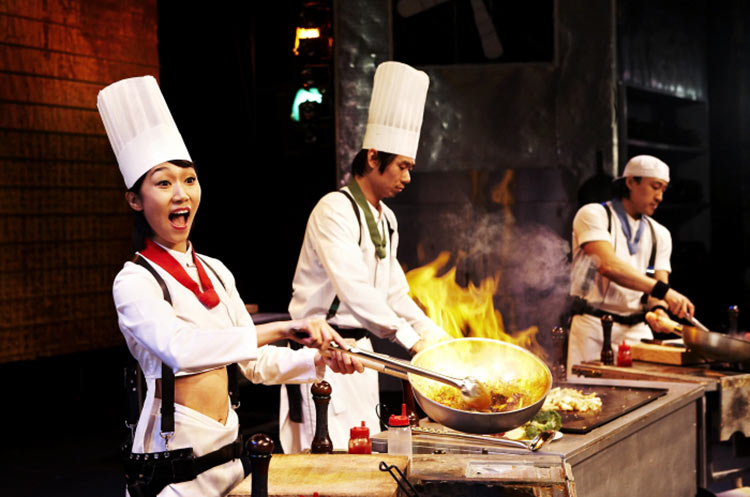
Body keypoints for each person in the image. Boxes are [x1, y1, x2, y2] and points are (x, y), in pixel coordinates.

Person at [97, 75, 360, 497]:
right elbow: (180, 349)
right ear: (134, 199)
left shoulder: (217, 270)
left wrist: (320, 361)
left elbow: (253, 365)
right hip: (170, 466)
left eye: (189, 179)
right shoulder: (133, 281)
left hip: (231, 457)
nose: (181, 194)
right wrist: (279, 328)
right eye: (163, 183)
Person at [280, 61, 452, 453]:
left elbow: (393, 293)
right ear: (374, 157)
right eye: (403, 166)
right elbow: (354, 290)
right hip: (321, 355)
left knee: (360, 460)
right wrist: (411, 343)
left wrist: (437, 341)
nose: (407, 178)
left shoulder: (386, 218)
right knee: (322, 468)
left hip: (361, 356)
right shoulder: (334, 209)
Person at [567, 155, 695, 373]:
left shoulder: (660, 234)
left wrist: (659, 310)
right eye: (655, 187)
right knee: (587, 399)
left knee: (641, 400)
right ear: (630, 182)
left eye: (663, 189)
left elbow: (658, 283)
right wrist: (666, 292)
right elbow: (608, 265)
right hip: (593, 327)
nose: (659, 197)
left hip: (637, 332)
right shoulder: (593, 215)